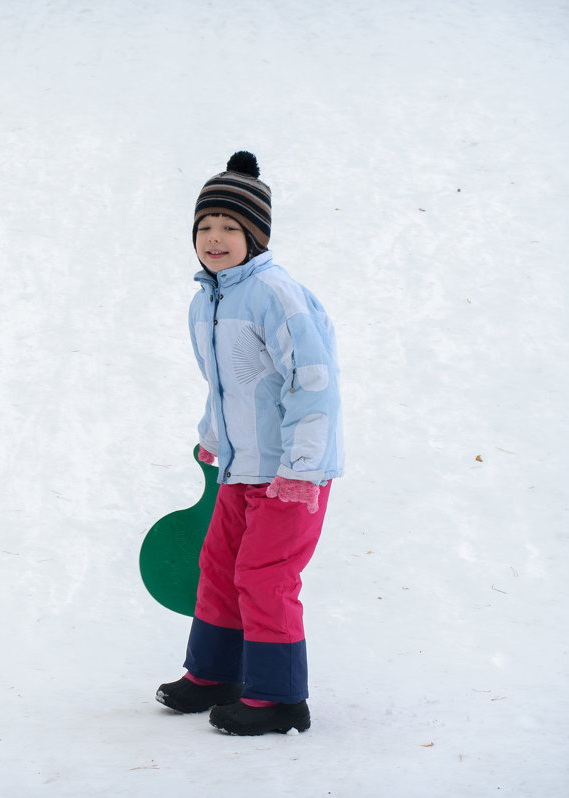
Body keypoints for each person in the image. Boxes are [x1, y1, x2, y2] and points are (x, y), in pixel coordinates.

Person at [156, 151, 344, 736]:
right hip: (242, 467)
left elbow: (312, 384)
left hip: (293, 471)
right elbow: (227, 385)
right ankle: (215, 673)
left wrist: (302, 469)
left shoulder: (276, 295)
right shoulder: (206, 300)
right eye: (205, 227)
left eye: (229, 227)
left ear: (255, 236)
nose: (215, 238)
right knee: (218, 566)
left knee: (265, 575)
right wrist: (213, 439)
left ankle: (279, 697)